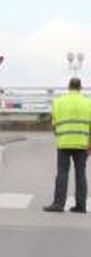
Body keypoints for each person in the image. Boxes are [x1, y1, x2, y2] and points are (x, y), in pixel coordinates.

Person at [44, 77, 91, 213]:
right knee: (81, 174)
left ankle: (58, 205)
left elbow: (54, 125)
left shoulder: (58, 102)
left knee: (62, 173)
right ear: (80, 88)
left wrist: (60, 136)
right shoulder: (88, 103)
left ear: (68, 87)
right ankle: (81, 206)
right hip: (82, 144)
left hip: (64, 142)